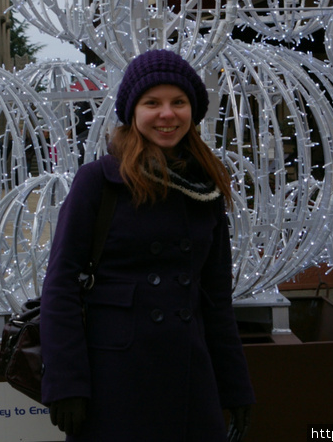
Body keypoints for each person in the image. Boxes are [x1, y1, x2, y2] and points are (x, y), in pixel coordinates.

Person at [40, 50, 255, 441]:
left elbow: (215, 298)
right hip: (115, 380)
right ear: (132, 112)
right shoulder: (98, 182)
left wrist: (235, 386)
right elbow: (61, 285)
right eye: (152, 103)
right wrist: (67, 383)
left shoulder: (205, 186)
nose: (167, 114)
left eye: (179, 102)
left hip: (190, 379)